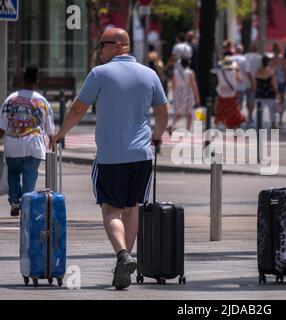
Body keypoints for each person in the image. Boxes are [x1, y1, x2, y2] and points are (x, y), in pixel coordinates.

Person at [50, 28, 169, 290]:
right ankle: (122, 267)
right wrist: (157, 136)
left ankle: (122, 255)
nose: (99, 51)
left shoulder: (99, 74)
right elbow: (162, 111)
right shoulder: (149, 75)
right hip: (141, 156)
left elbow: (78, 108)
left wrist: (60, 134)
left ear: (116, 46)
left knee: (110, 209)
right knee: (132, 207)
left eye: (101, 45)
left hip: (111, 157)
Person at [0, 65, 55, 217]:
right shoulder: (42, 101)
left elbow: (2, 127)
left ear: (22, 80)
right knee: (30, 176)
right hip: (34, 146)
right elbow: (49, 127)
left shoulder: (10, 100)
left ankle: (15, 202)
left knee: (13, 174)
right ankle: (26, 203)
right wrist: (52, 139)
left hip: (13, 146)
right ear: (36, 81)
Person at [214, 56, 246, 129]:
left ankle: (218, 126)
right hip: (231, 95)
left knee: (220, 111)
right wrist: (238, 70)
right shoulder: (234, 73)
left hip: (221, 94)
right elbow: (240, 80)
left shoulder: (220, 72)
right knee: (233, 113)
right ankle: (233, 127)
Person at [169, 57, 200, 132]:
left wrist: (174, 95)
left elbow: (173, 85)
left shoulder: (175, 73)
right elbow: (194, 85)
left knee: (178, 113)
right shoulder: (190, 73)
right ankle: (187, 130)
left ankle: (171, 126)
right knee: (189, 113)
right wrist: (197, 97)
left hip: (178, 93)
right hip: (187, 93)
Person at [255, 56, 279, 129]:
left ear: (261, 62)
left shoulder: (258, 71)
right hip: (270, 93)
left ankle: (258, 125)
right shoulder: (271, 71)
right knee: (272, 111)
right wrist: (277, 92)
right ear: (268, 62)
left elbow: (255, 83)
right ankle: (273, 125)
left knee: (259, 110)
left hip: (260, 93)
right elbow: (273, 83)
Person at [269, 43, 286, 128]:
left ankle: (273, 122)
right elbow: (285, 72)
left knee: (272, 102)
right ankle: (280, 120)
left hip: (272, 82)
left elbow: (269, 72)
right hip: (281, 82)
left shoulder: (270, 60)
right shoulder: (283, 60)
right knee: (281, 101)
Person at [244, 44, 262, 126]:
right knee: (252, 99)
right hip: (255, 81)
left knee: (248, 100)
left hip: (245, 81)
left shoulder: (245, 56)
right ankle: (250, 114)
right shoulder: (259, 57)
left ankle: (249, 114)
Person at [232, 44, 252, 111]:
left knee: (233, 102)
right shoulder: (244, 60)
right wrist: (252, 81)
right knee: (239, 102)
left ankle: (233, 115)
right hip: (241, 85)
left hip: (231, 85)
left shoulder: (230, 59)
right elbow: (248, 72)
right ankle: (237, 116)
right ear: (242, 51)